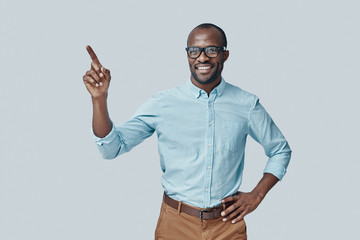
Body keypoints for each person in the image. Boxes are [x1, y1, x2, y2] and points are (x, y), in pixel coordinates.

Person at [82, 23, 292, 240]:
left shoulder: (246, 104)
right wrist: (99, 99)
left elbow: (280, 150)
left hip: (227, 225)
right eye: (194, 50)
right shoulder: (163, 103)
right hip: (175, 224)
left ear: (225, 55)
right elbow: (111, 149)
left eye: (211, 49)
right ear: (188, 55)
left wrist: (257, 195)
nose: (202, 58)